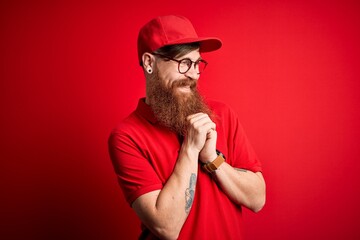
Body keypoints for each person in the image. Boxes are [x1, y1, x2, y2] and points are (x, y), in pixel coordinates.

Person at [108, 15, 266, 240]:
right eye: (184, 63)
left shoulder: (222, 114)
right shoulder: (127, 136)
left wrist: (212, 158)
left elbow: (257, 199)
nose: (194, 74)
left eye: (197, 63)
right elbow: (166, 228)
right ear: (149, 63)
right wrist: (190, 150)